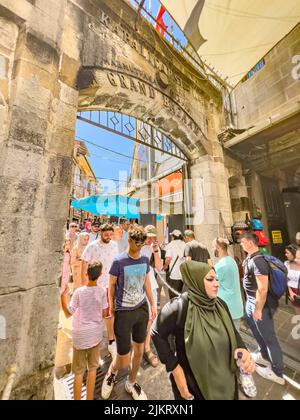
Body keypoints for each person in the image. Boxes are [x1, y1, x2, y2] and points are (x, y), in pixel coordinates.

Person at [152, 261, 255, 400]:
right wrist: (174, 367)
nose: (217, 283)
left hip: (227, 382)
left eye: (217, 279)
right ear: (195, 281)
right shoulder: (178, 308)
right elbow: (156, 333)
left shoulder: (220, 305)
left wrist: (241, 348)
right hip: (195, 386)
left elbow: (233, 332)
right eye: (210, 279)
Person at [101, 226, 157, 401]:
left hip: (141, 309)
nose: (139, 247)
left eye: (142, 244)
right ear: (130, 241)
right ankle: (112, 372)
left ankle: (131, 383)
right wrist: (110, 306)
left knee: (139, 351)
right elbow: (111, 285)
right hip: (123, 312)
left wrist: (153, 304)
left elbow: (146, 281)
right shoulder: (119, 261)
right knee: (124, 359)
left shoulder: (145, 259)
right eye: (137, 243)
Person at [241, 232, 285, 385]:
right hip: (252, 302)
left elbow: (263, 289)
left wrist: (258, 309)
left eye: (243, 242)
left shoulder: (258, 262)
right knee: (258, 333)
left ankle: (277, 372)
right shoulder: (250, 259)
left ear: (250, 243)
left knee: (269, 338)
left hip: (261, 305)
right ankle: (264, 355)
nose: (241, 244)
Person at [61, 263, 109, 400]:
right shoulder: (101, 292)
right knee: (93, 368)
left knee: (78, 372)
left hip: (80, 337)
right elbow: (105, 313)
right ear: (100, 275)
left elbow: (67, 313)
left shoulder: (78, 292)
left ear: (86, 274)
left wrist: (62, 297)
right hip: (95, 335)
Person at [81, 224, 119, 358]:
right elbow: (84, 265)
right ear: (101, 233)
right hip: (95, 285)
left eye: (110, 234)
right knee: (94, 314)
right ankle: (92, 341)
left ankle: (111, 340)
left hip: (110, 285)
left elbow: (116, 263)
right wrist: (85, 286)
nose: (108, 237)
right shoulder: (92, 246)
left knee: (109, 314)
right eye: (106, 234)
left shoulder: (115, 245)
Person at [141, 225, 163, 368]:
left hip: (151, 285)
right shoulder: (137, 246)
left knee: (151, 316)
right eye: (148, 236)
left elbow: (159, 267)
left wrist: (155, 251)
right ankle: (139, 344)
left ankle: (147, 347)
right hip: (138, 286)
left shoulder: (154, 248)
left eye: (153, 237)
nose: (150, 239)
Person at [212, 238, 244, 330]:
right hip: (235, 307)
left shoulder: (221, 266)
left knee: (228, 340)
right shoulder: (232, 261)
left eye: (213, 247)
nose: (212, 249)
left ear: (218, 248)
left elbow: (211, 283)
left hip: (226, 309)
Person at [164, 230, 186, 300]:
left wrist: (165, 266)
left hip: (174, 274)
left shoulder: (171, 245)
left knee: (173, 296)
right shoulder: (184, 244)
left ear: (173, 237)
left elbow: (168, 259)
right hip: (183, 274)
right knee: (181, 295)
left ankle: (175, 309)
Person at [285, 244, 300, 315]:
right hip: (293, 292)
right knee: (298, 312)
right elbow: (285, 279)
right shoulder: (286, 264)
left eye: (287, 253)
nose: (285, 254)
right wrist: (290, 292)